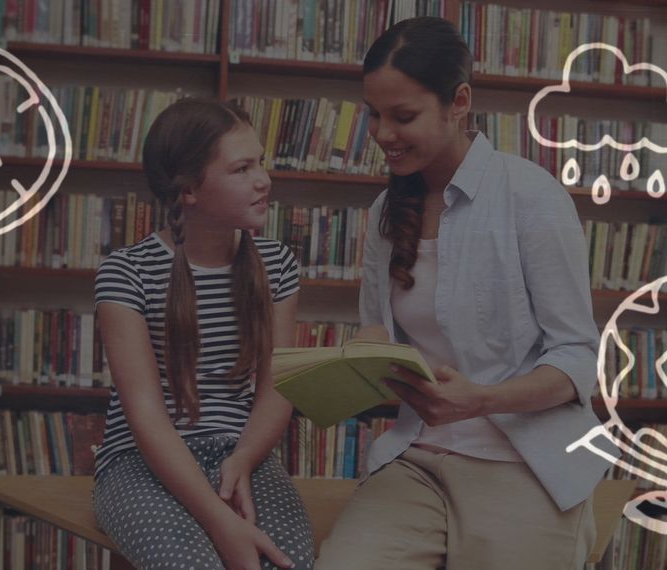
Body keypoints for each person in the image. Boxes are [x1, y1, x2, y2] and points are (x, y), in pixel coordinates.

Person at [315, 17, 617, 569]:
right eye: (374, 115)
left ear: (459, 102)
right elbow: (377, 328)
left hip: (524, 463)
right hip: (416, 459)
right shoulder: (385, 212)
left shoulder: (531, 196)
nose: (383, 135)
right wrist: (353, 365)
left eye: (403, 117)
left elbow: (577, 360)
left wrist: (481, 400)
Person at [92, 97, 315, 570]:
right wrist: (218, 518)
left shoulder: (277, 265)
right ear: (190, 189)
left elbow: (277, 386)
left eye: (261, 162)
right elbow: (147, 417)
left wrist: (242, 462)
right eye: (241, 169)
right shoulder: (126, 273)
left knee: (288, 561)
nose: (263, 180)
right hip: (142, 462)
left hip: (240, 456)